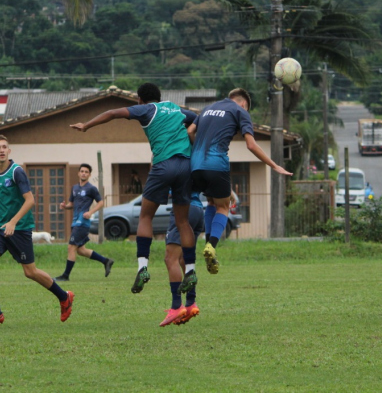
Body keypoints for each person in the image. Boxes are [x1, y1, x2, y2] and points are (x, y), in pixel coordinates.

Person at [69, 82, 199, 298]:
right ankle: (192, 270)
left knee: (145, 215)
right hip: (185, 166)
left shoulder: (147, 109)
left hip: (163, 165)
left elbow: (112, 113)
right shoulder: (177, 109)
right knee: (183, 221)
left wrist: (87, 125)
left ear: (140, 99)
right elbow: (200, 119)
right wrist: (191, 136)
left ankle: (142, 267)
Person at [187, 88, 292, 275]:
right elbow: (251, 144)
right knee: (224, 207)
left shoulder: (207, 108)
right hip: (216, 163)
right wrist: (274, 165)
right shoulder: (240, 111)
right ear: (244, 104)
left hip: (195, 165)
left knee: (212, 201)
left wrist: (199, 152)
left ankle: (208, 244)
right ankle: (211, 245)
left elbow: (190, 131)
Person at [0, 135, 74, 328]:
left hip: (19, 229)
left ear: (9, 151)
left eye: (5, 147)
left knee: (30, 272)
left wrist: (13, 221)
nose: (2, 150)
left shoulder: (17, 172)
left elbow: (30, 200)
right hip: (0, 228)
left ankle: (64, 297)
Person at [54, 163, 114, 281]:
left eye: (86, 172)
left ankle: (65, 276)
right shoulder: (75, 188)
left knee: (71, 248)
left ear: (89, 175)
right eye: (82, 171)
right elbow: (71, 204)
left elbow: (101, 202)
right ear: (78, 173)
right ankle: (106, 261)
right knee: (81, 250)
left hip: (82, 223)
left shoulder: (91, 188)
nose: (84, 173)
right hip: (75, 222)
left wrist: (91, 212)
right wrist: (65, 206)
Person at [161, 191, 204, 326]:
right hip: (198, 209)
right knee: (185, 259)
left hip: (183, 209)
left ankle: (176, 306)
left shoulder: (172, 168)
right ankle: (191, 302)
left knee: (170, 259)